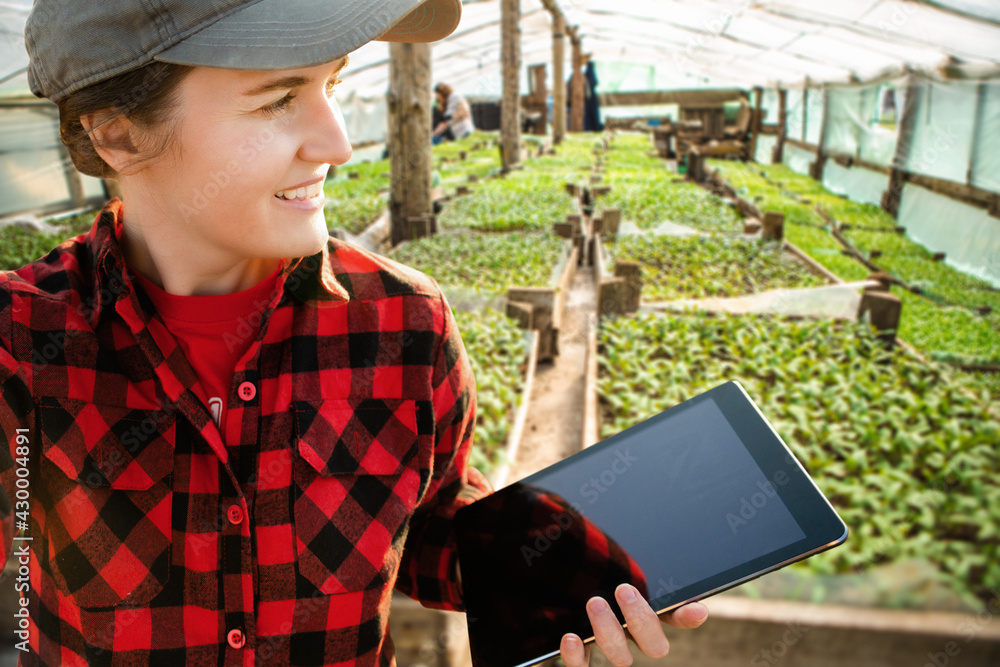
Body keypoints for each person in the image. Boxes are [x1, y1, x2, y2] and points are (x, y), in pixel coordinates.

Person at [0, 0, 707, 665]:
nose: (336, 142)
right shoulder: (21, 344)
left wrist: (547, 561)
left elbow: (425, 520)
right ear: (117, 132)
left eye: (332, 84)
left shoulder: (405, 327)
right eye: (278, 99)